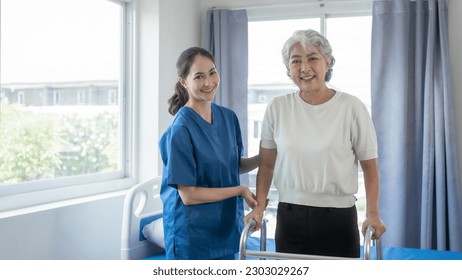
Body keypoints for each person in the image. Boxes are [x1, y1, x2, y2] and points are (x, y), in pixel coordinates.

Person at [244, 29, 386, 258]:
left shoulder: (352, 107)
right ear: (287, 67)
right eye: (296, 61)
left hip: (338, 218)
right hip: (289, 217)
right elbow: (267, 165)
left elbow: (370, 168)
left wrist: (373, 213)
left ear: (328, 62)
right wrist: (259, 208)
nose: (304, 68)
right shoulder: (277, 108)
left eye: (312, 58)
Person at [159, 47, 259, 260]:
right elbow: (189, 195)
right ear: (184, 82)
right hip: (192, 236)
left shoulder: (228, 118)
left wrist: (265, 157)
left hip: (223, 229)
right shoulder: (180, 129)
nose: (208, 82)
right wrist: (240, 190)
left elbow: (233, 165)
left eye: (212, 72)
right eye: (199, 76)